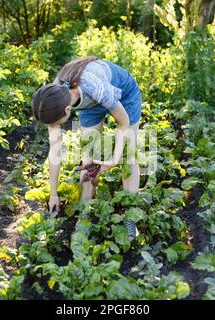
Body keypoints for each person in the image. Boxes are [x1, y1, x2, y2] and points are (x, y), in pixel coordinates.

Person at [31, 56, 142, 238]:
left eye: (56, 124)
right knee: (89, 158)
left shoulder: (96, 87)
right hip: (90, 103)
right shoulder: (53, 97)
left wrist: (114, 159)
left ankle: (131, 217)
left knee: (128, 154)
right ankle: (85, 213)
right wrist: (53, 194)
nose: (55, 127)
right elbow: (55, 151)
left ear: (67, 111)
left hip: (124, 94)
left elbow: (123, 123)